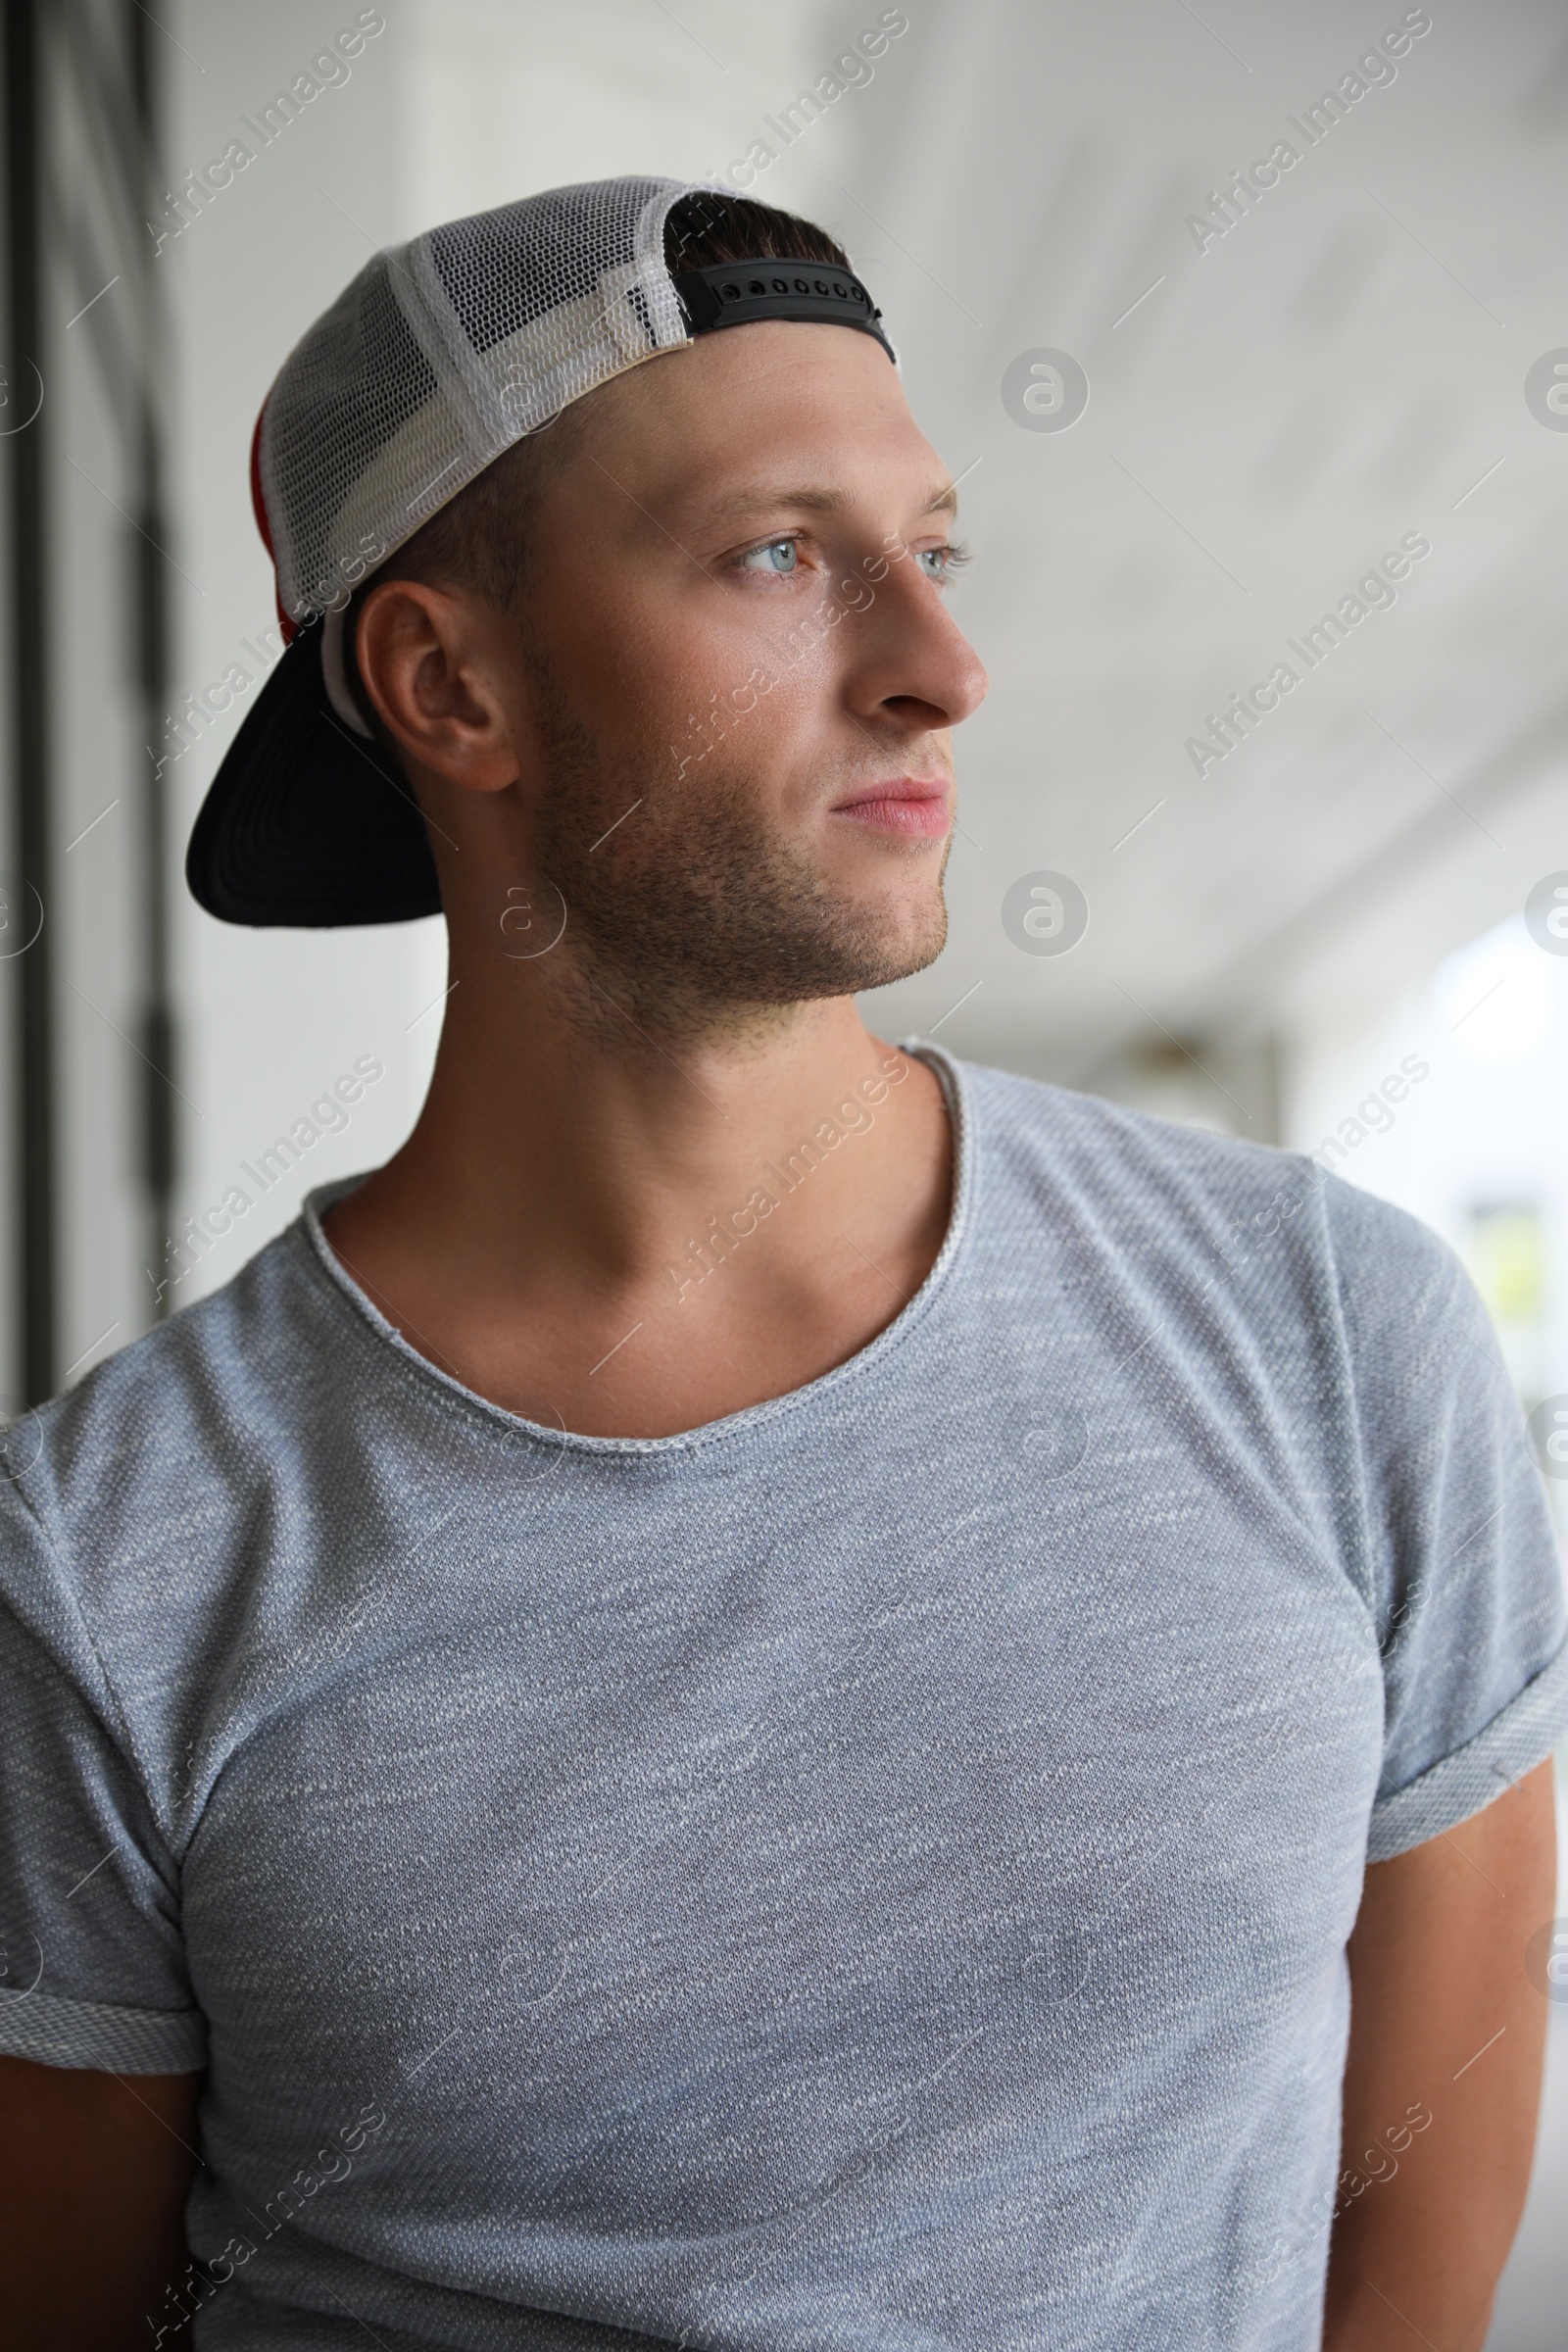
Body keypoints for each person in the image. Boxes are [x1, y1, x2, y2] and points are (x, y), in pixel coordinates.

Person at [0, 175, 1564, 2352]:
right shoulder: (107, 1557)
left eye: (927, 550)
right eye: (777, 554)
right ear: (449, 682)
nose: (940, 669)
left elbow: (1418, 2232)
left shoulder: (1326, 1332)